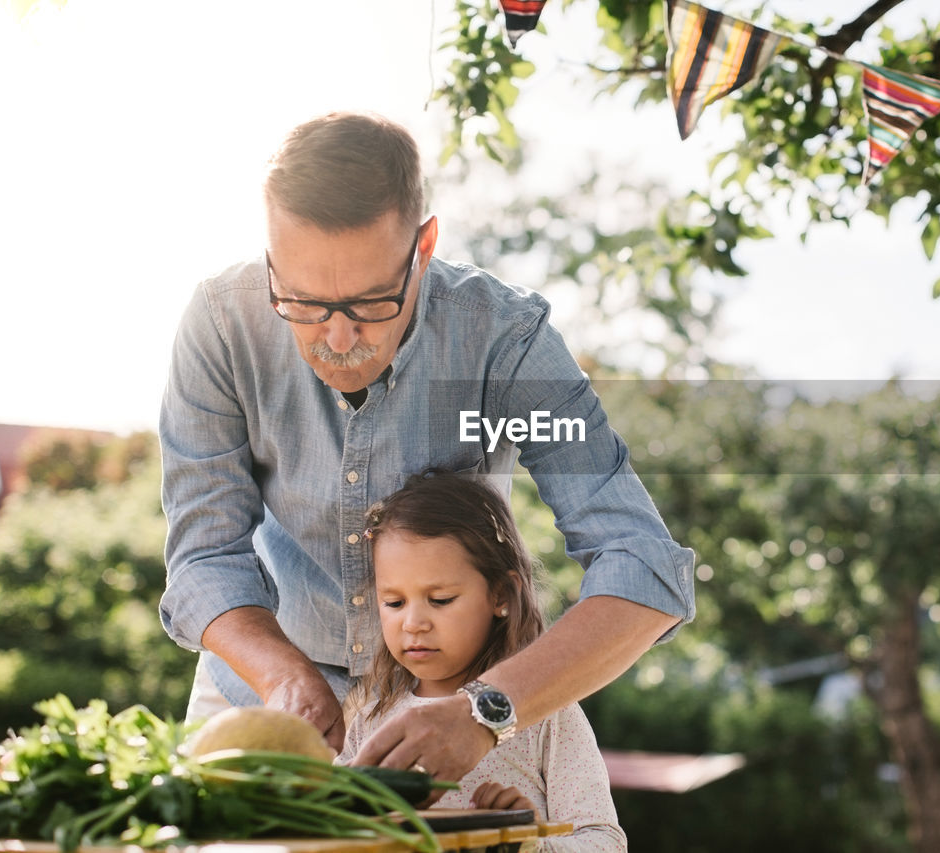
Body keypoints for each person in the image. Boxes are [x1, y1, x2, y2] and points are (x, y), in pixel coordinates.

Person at [158, 111, 696, 788]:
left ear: (424, 246)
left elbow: (644, 569)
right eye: (302, 302)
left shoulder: (507, 341)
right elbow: (204, 556)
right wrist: (282, 674)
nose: (339, 337)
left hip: (460, 721)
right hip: (259, 702)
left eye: (371, 301)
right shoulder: (219, 327)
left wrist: (483, 710)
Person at [336, 471, 625, 851]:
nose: (413, 623)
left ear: (501, 594)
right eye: (393, 603)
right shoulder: (371, 720)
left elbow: (604, 841)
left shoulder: (545, 713)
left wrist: (528, 846)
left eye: (440, 600)